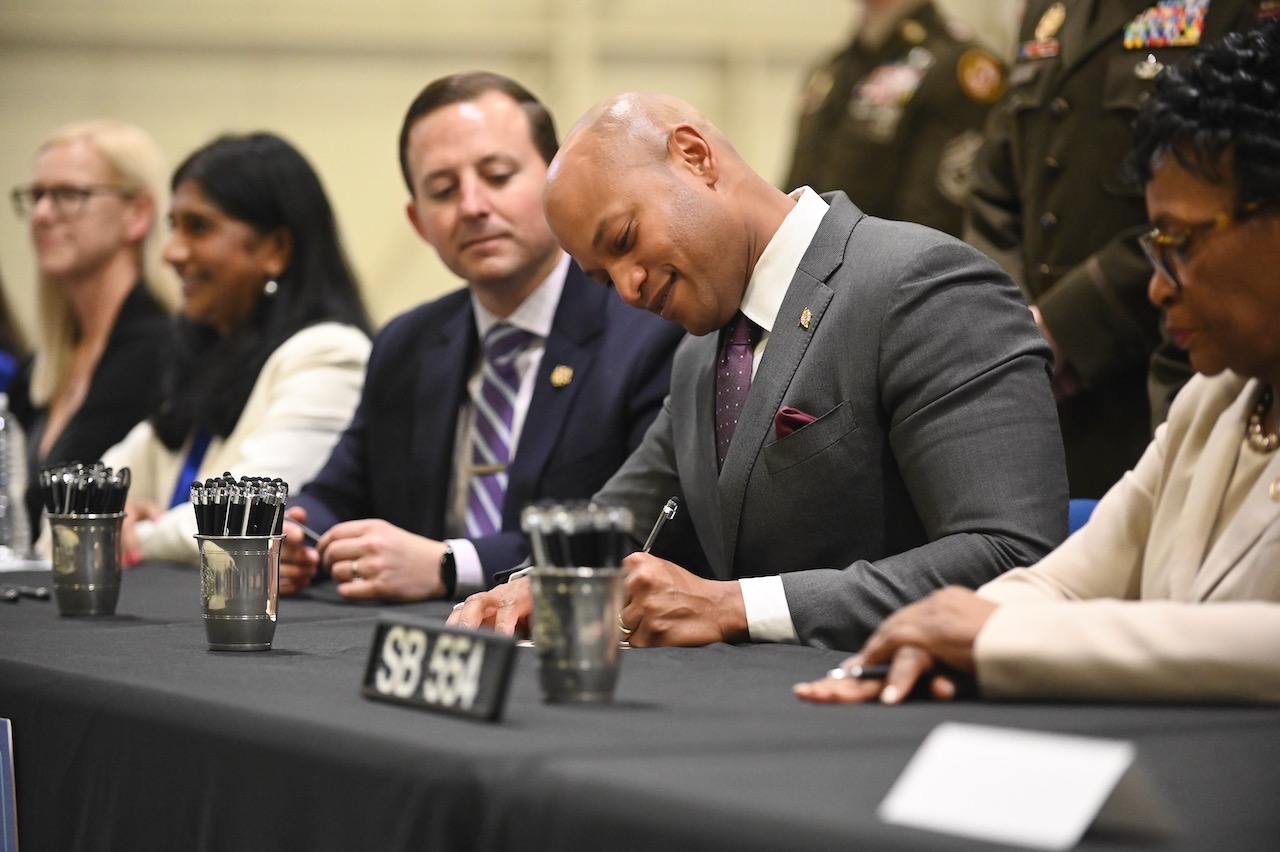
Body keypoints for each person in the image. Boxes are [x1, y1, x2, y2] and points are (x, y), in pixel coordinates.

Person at [449, 91, 1068, 651]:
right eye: (601, 277)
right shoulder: (701, 353)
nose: (628, 287)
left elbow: (1010, 555)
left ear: (693, 156)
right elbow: (627, 514)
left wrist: (738, 605)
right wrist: (541, 583)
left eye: (625, 239)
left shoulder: (923, 283)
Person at [796, 19, 1280, 704]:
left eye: (1182, 242)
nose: (1159, 285)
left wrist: (997, 640)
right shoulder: (1216, 400)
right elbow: (1064, 579)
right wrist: (932, 633)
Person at [279, 72, 684, 602]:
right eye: (443, 190)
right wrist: (293, 536)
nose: (472, 206)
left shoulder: (648, 328)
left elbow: (638, 526)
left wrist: (453, 565)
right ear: (419, 221)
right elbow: (337, 492)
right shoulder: (406, 343)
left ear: (556, 183)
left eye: (496, 175)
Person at [965, 0, 1259, 499]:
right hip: (1034, 392)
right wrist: (1009, 322)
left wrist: (1063, 325)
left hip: (1164, 377)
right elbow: (995, 187)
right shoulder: (1049, 11)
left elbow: (1235, 207)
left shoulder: (1238, 8)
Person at [102, 132, 372, 563]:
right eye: (174, 226)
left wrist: (126, 536)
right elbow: (83, 501)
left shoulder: (330, 355)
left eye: (199, 227)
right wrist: (111, 518)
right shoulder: (204, 352)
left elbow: (242, 514)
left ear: (275, 249)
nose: (171, 252)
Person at [7, 120, 178, 539]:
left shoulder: (164, 351)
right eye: (37, 196)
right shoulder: (39, 367)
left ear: (137, 214)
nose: (43, 214)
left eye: (70, 195)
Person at [785, 0, 1005, 237]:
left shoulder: (960, 67)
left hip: (889, 270)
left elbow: (931, 229)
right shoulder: (834, 68)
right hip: (809, 265)